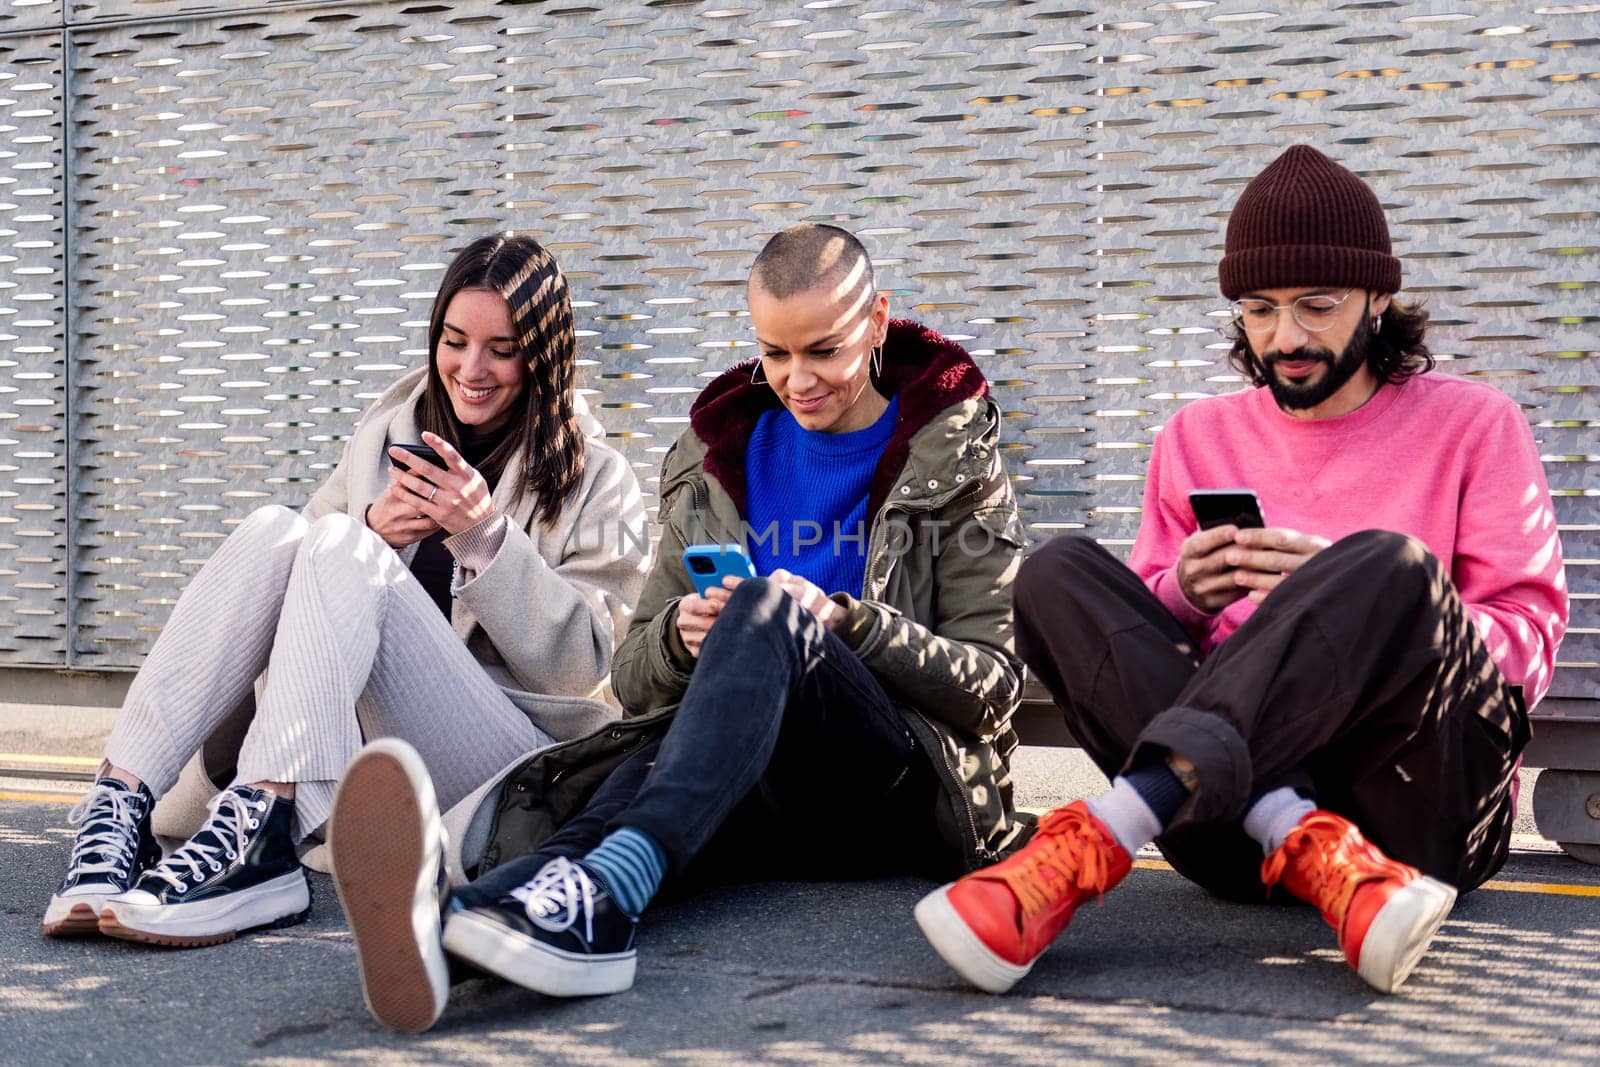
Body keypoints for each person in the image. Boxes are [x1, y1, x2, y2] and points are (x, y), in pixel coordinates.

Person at [323, 222, 1028, 1031]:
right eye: (775, 353)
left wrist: (844, 621)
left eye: (823, 351)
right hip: (742, 773)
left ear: (877, 322)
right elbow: (630, 677)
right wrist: (678, 638)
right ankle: (466, 920)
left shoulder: (953, 459)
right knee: (647, 760)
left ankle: (605, 890)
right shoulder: (717, 457)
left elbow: (994, 690)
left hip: (890, 782)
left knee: (763, 610)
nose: (799, 380)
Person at [916, 144, 1570, 996]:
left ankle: (1105, 833)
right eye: (1260, 310)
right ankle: (1303, 836)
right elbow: (1138, 641)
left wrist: (1365, 598)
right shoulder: (1197, 436)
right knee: (1056, 574)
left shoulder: (1473, 423)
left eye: (1316, 306)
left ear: (1379, 298)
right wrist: (1185, 593)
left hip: (1418, 808)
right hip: (1232, 832)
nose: (1285, 337)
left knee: (1391, 565)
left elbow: (1527, 644)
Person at [43, 235, 651, 947]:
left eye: (502, 348)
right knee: (280, 529)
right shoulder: (386, 434)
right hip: (364, 739)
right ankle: (119, 804)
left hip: (501, 760)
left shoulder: (599, 477)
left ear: (542, 355)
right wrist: (376, 531)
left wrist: (485, 536)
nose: (471, 368)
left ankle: (266, 833)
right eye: (454, 341)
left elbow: (585, 666)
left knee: (339, 541)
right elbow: (291, 593)